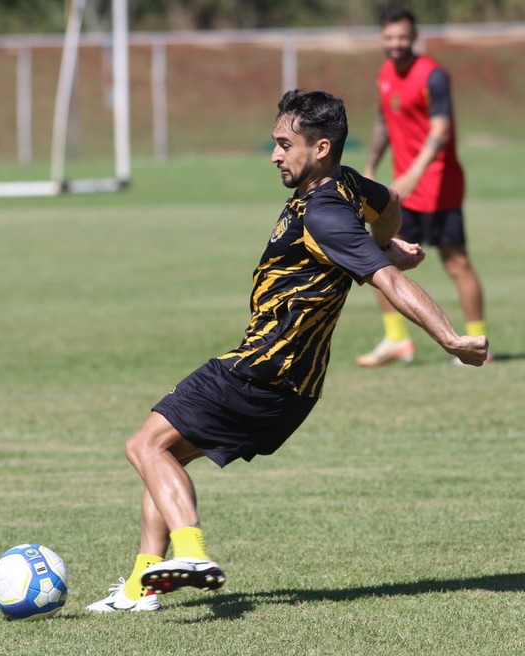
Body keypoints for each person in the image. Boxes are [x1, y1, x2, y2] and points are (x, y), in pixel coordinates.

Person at [86, 89, 489, 613]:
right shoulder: (346, 186)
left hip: (258, 367)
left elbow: (389, 282)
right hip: (294, 389)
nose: (275, 154)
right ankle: (141, 588)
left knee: (143, 446)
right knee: (165, 455)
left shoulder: (326, 215)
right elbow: (390, 204)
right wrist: (384, 241)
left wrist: (451, 339)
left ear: (320, 147)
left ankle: (191, 553)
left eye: (284, 144)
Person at [357, 6, 489, 368]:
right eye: (389, 38)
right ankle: (397, 341)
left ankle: (477, 344)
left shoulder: (433, 76)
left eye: (402, 37)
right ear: (381, 38)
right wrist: (370, 165)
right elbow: (385, 122)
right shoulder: (384, 74)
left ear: (414, 37)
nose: (396, 44)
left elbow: (441, 129)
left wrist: (415, 172)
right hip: (402, 191)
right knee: (377, 257)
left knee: (456, 262)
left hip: (440, 186)